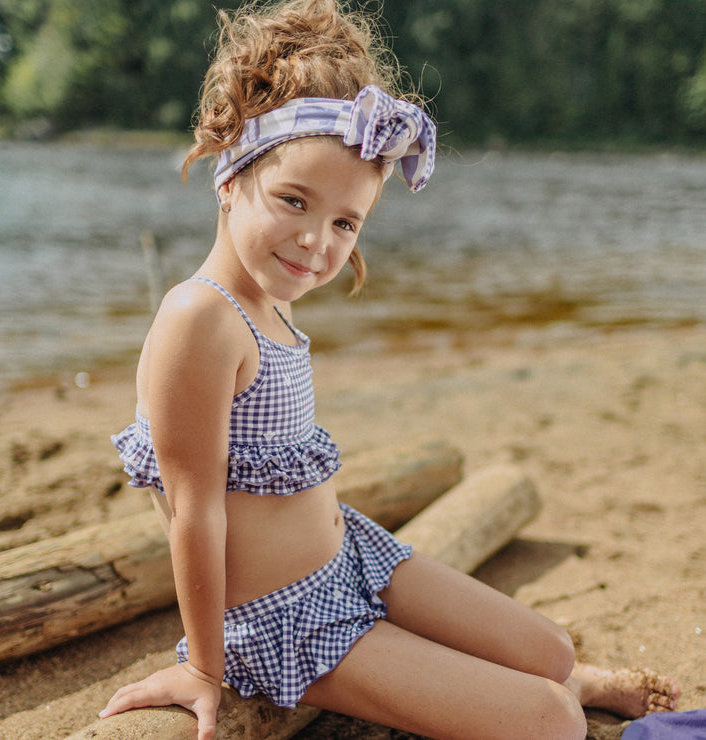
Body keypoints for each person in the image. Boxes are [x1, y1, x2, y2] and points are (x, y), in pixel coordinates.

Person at [99, 1, 680, 738]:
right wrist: (204, 671)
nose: (316, 243)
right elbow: (194, 511)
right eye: (293, 201)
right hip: (284, 620)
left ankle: (572, 676)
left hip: (351, 554)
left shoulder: (269, 301)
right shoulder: (199, 318)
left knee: (552, 650)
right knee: (553, 722)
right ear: (229, 175)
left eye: (345, 222)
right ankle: (553, 693)